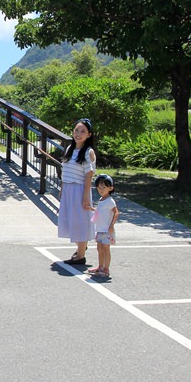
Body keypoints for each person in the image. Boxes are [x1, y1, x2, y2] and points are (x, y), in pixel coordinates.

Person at [58, 118, 96, 265]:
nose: (78, 134)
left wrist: (85, 196)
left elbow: (89, 175)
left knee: (80, 221)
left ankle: (80, 256)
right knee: (71, 220)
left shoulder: (88, 152)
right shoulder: (70, 149)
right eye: (76, 130)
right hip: (68, 188)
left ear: (89, 135)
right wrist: (62, 189)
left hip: (79, 189)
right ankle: (81, 247)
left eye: (82, 131)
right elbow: (65, 171)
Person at [88, 174, 118, 279]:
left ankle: (106, 269)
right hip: (100, 229)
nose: (101, 189)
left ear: (110, 188)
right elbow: (100, 212)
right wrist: (92, 209)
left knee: (106, 248)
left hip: (106, 229)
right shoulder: (101, 199)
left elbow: (116, 213)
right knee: (99, 248)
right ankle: (100, 267)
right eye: (99, 187)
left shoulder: (110, 201)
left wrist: (111, 225)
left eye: (104, 187)